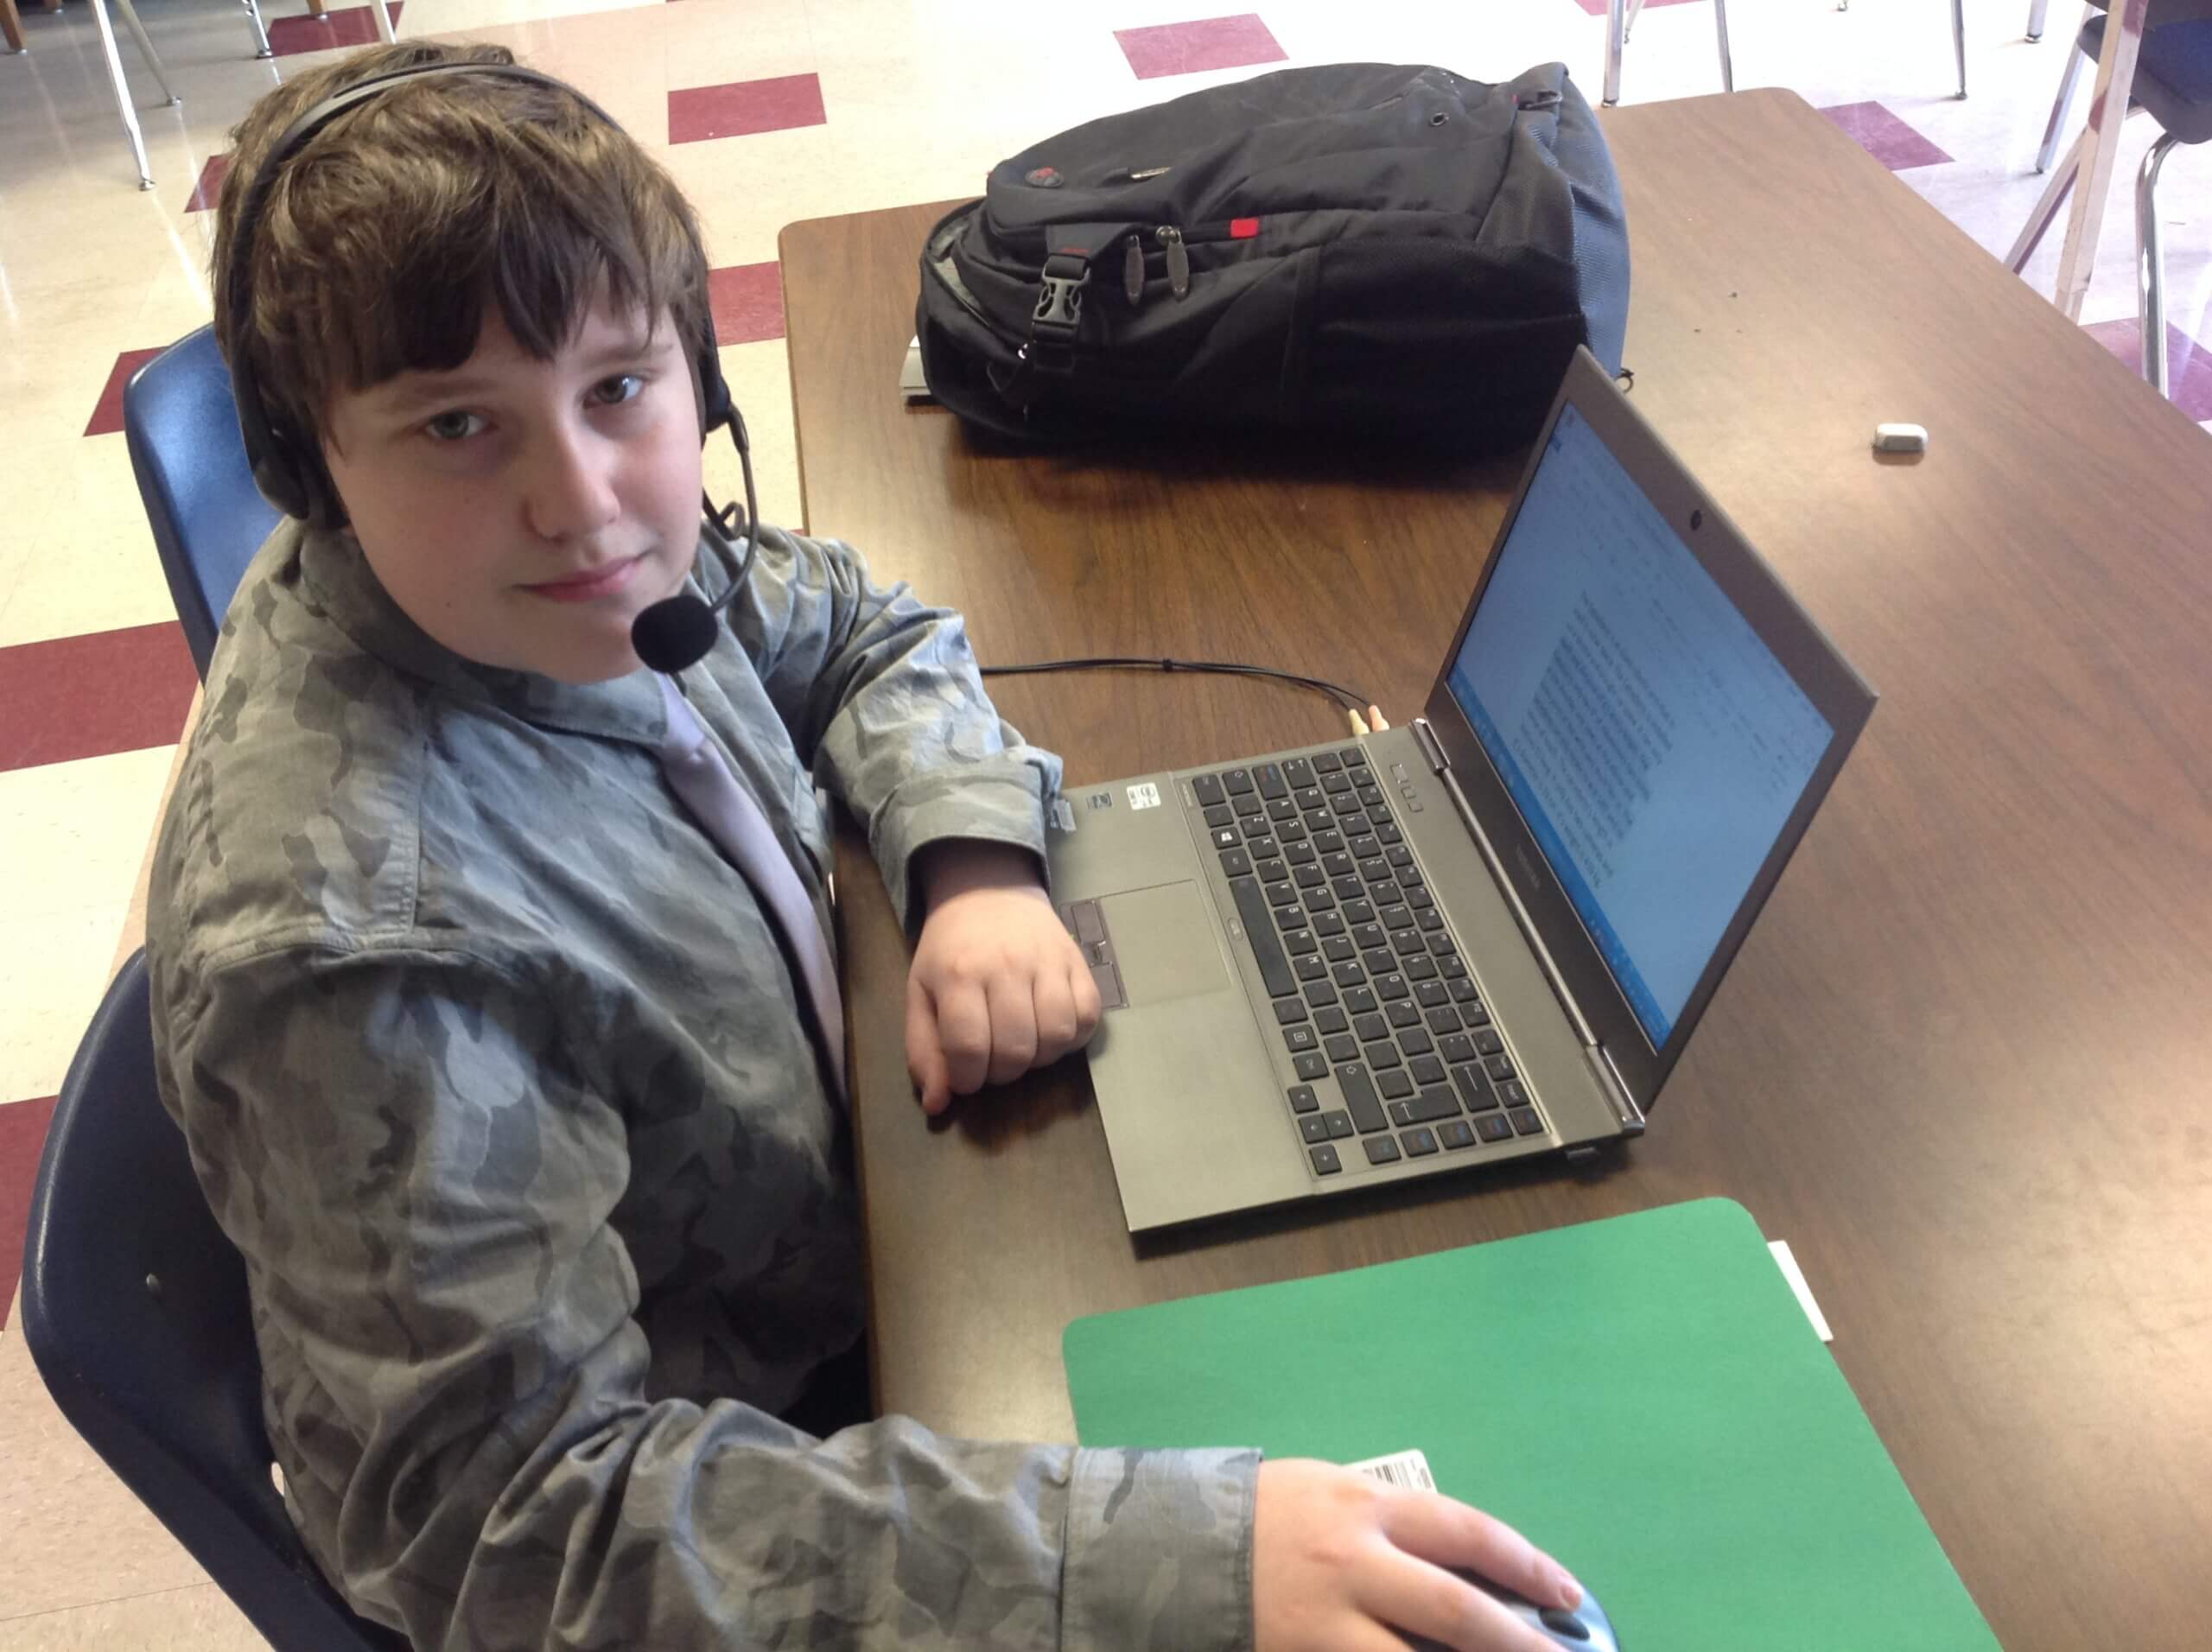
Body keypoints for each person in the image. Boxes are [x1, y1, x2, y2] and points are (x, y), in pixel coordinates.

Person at [147, 38, 1586, 1652]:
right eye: (457, 428)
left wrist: (972, 866)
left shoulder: (557, 595)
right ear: (308, 468)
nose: (585, 499)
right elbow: (522, 1531)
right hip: (760, 1465)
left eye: (620, 387)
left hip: (870, 1220)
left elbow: (856, 627)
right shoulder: (361, 965)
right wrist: (1161, 1568)